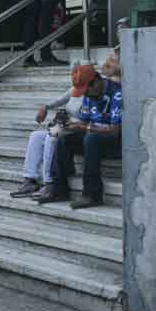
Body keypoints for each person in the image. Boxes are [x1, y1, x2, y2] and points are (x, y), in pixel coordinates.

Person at [35, 64, 122, 209]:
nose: (85, 95)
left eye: (86, 90)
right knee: (64, 139)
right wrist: (70, 127)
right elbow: (84, 121)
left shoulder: (116, 93)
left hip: (115, 143)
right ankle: (59, 188)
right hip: (93, 140)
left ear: (96, 81)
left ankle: (92, 194)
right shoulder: (89, 95)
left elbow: (114, 131)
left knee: (90, 137)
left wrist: (85, 127)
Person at [11, 63, 83, 198]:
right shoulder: (74, 90)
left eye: (77, 73)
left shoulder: (91, 91)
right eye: (72, 73)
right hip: (65, 127)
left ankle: (49, 182)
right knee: (36, 136)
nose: (73, 77)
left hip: (78, 128)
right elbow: (59, 100)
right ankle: (30, 180)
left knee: (51, 136)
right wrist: (45, 107)